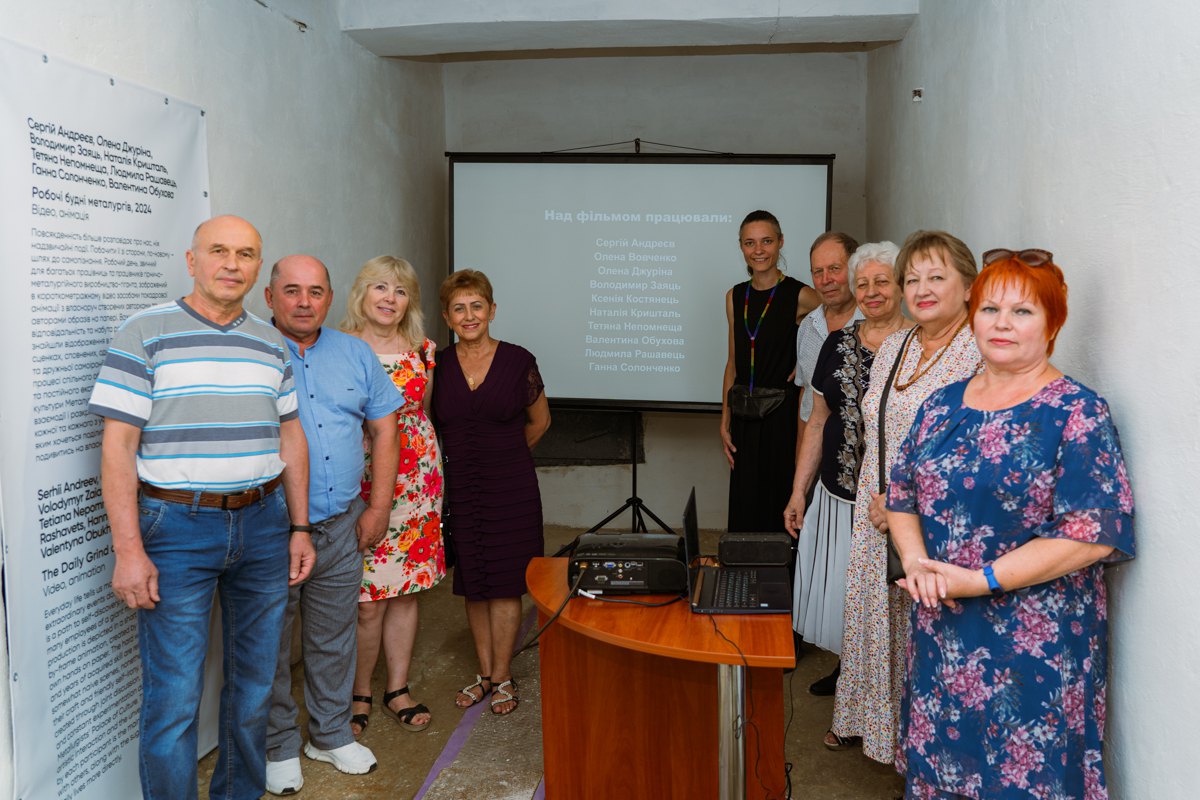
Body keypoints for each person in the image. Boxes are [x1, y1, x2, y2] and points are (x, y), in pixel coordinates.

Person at [887, 249, 1135, 799]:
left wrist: (981, 580)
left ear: (1053, 324)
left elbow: (1091, 533)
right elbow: (900, 495)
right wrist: (914, 561)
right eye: (990, 308)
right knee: (942, 773)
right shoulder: (940, 405)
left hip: (1034, 651)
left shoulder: (1077, 411)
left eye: (1022, 312)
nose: (1001, 324)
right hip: (942, 634)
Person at [89, 215, 315, 800]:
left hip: (265, 524)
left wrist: (298, 526)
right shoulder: (145, 331)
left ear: (257, 268)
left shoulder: (270, 341)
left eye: (246, 254)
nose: (232, 264)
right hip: (175, 527)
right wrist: (128, 550)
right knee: (174, 698)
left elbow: (290, 436)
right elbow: (118, 446)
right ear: (192, 260)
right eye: (219, 250)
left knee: (254, 686)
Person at [832, 230, 982, 762]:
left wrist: (898, 502)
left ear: (968, 286)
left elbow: (974, 449)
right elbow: (878, 428)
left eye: (936, 277)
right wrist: (878, 499)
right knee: (884, 634)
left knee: (930, 644)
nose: (921, 289)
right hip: (877, 519)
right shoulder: (898, 342)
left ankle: (929, 761)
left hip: (933, 529)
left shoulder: (979, 350)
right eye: (912, 278)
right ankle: (889, 742)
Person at [263, 255, 402, 795]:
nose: (304, 302)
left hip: (342, 523)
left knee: (333, 636)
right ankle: (277, 744)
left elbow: (385, 431)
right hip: (269, 527)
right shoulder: (251, 349)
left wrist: (379, 506)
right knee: (270, 643)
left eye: (315, 291)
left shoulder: (355, 352)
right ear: (270, 296)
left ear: (329, 296)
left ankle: (328, 734)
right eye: (292, 291)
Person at [784, 242, 908, 697]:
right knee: (847, 605)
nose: (871, 292)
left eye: (882, 281)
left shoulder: (919, 347)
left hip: (893, 511)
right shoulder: (837, 343)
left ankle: (884, 705)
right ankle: (853, 693)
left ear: (900, 285)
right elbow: (817, 421)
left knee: (892, 614)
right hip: (838, 499)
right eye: (863, 284)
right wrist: (800, 492)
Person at [432, 269, 550, 716]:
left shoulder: (519, 360)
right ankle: (484, 674)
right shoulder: (438, 366)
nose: (469, 315)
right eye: (459, 308)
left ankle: (502, 676)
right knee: (475, 584)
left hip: (512, 487)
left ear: (492, 310)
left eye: (476, 306)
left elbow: (541, 421)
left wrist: (506, 456)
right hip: (462, 487)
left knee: (505, 586)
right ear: (447, 315)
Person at [341, 256, 446, 738]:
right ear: (362, 293)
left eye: (400, 290)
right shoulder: (338, 346)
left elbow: (420, 415)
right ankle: (360, 690)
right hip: (360, 479)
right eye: (380, 287)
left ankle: (396, 688)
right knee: (366, 599)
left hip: (418, 482)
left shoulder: (424, 349)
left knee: (406, 591)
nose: (389, 298)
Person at [720, 210, 821, 532]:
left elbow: (842, 323)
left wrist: (807, 357)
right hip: (744, 415)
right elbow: (732, 363)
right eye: (750, 243)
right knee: (745, 501)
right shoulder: (735, 296)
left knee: (778, 497)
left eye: (766, 241)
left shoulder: (800, 294)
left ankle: (782, 578)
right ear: (741, 247)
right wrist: (724, 420)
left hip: (782, 414)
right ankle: (743, 574)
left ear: (780, 243)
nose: (758, 250)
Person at [794, 231, 863, 447]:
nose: (826, 280)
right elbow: (805, 398)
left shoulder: (875, 325)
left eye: (834, 269)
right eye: (818, 272)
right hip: (815, 456)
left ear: (855, 269)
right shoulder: (807, 326)